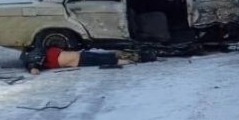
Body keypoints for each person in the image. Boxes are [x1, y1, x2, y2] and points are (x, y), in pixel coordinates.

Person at [21, 46, 155, 74]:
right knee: (105, 58)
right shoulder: (33, 59)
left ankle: (130, 57)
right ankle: (131, 59)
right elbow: (33, 70)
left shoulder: (41, 51)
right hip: (79, 60)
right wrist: (33, 67)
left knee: (105, 57)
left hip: (79, 56)